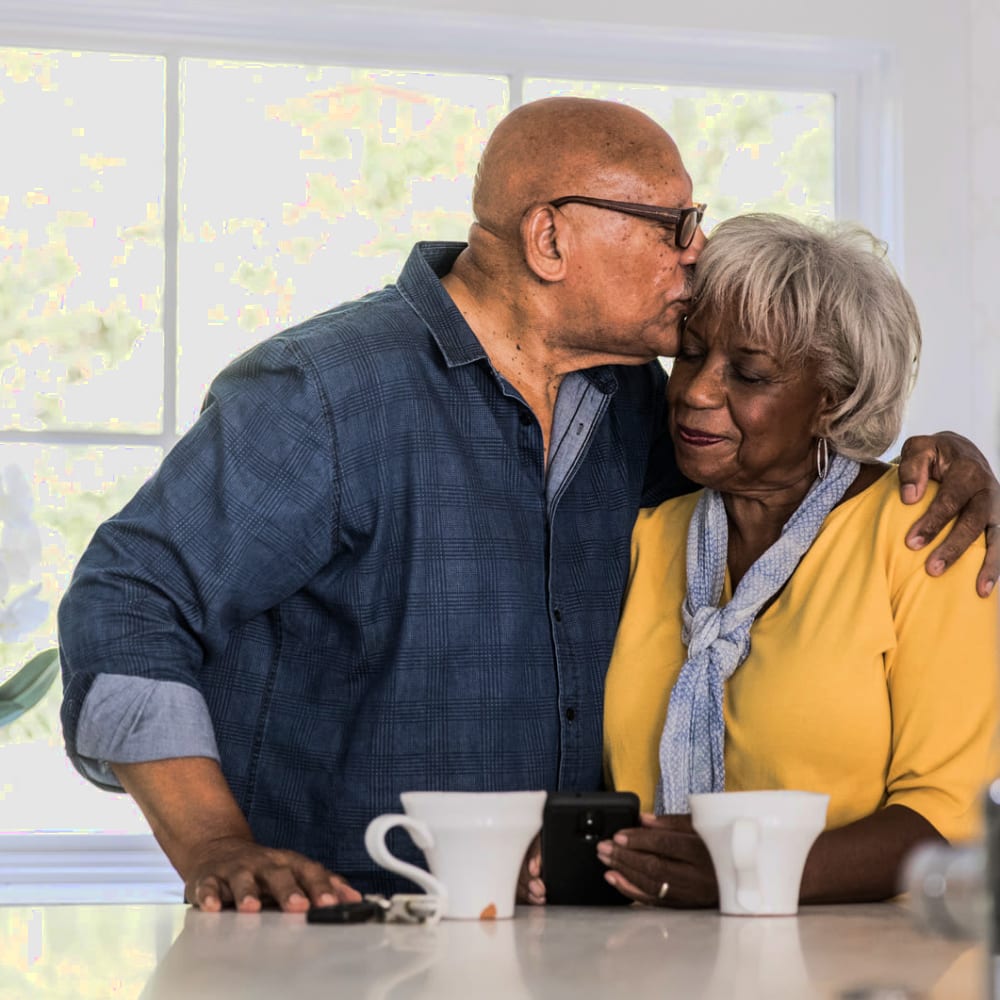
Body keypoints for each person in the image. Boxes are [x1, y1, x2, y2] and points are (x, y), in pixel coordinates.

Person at [57, 98, 1000, 914]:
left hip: (580, 946)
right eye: (671, 222)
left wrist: (949, 460)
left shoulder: (636, 407)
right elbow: (128, 602)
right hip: (343, 936)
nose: (695, 249)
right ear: (550, 237)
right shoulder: (326, 390)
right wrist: (213, 844)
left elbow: (796, 483)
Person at [591, 213, 999, 909]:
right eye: (689, 354)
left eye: (748, 375)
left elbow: (952, 816)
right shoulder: (653, 534)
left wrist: (745, 872)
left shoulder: (926, 529)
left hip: (866, 968)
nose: (695, 391)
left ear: (832, 401)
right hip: (647, 954)